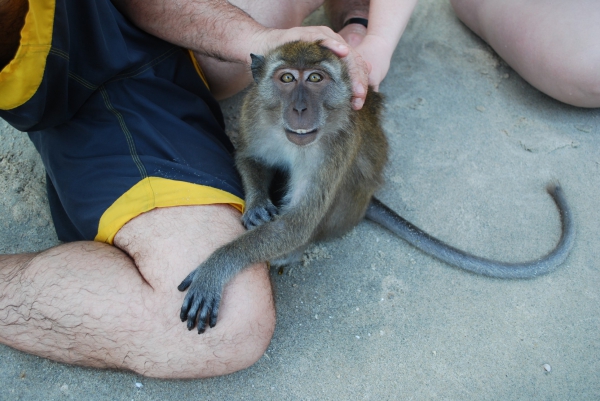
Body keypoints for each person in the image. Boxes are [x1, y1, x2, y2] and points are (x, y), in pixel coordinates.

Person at [0, 0, 597, 380]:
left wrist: (357, 35)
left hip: (319, 195)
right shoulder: (264, 110)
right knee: (227, 302)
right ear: (270, 83)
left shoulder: (330, 125)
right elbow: (250, 153)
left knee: (241, 286)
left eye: (316, 82)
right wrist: (254, 197)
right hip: (82, 86)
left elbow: (301, 222)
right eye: (287, 81)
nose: (302, 97)